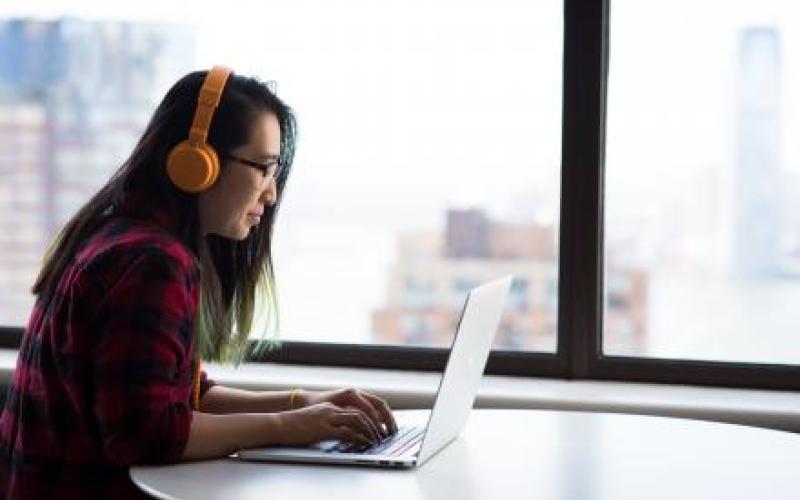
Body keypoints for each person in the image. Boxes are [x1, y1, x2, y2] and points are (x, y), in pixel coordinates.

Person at [0, 66, 398, 499]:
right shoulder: (152, 262)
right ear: (197, 163)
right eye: (263, 169)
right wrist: (288, 427)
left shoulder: (115, 233)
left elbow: (182, 395)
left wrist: (303, 402)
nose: (271, 194)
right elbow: (146, 432)